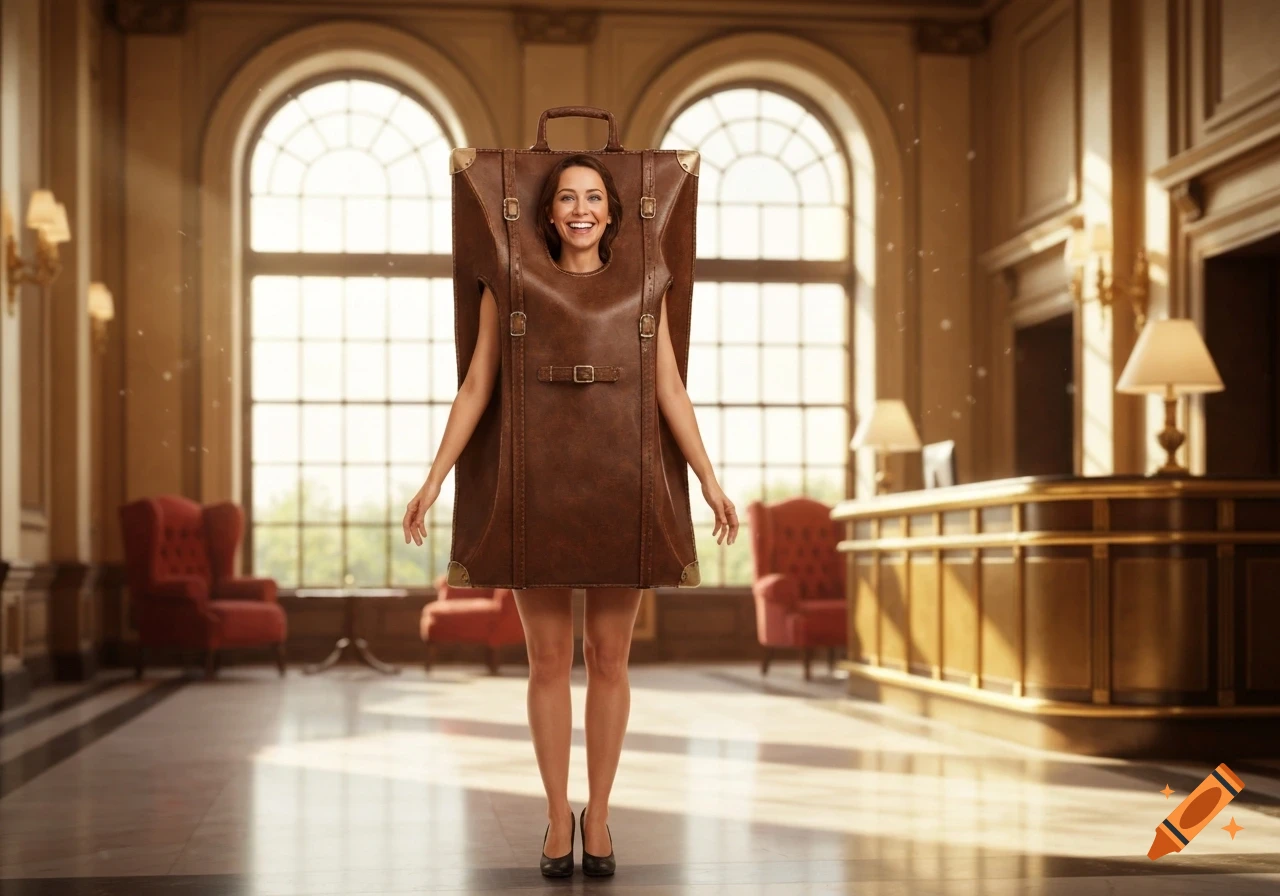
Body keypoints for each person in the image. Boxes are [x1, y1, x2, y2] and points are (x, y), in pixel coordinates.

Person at [402, 153, 738, 877]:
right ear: (546, 213)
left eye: (593, 197)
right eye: (565, 198)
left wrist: (709, 480)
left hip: (623, 484)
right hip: (535, 488)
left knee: (610, 659)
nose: (580, 209)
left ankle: (603, 814)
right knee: (548, 661)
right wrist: (433, 479)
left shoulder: (651, 283)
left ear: (613, 212)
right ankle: (559, 816)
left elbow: (671, 391)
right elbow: (474, 391)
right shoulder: (510, 281)